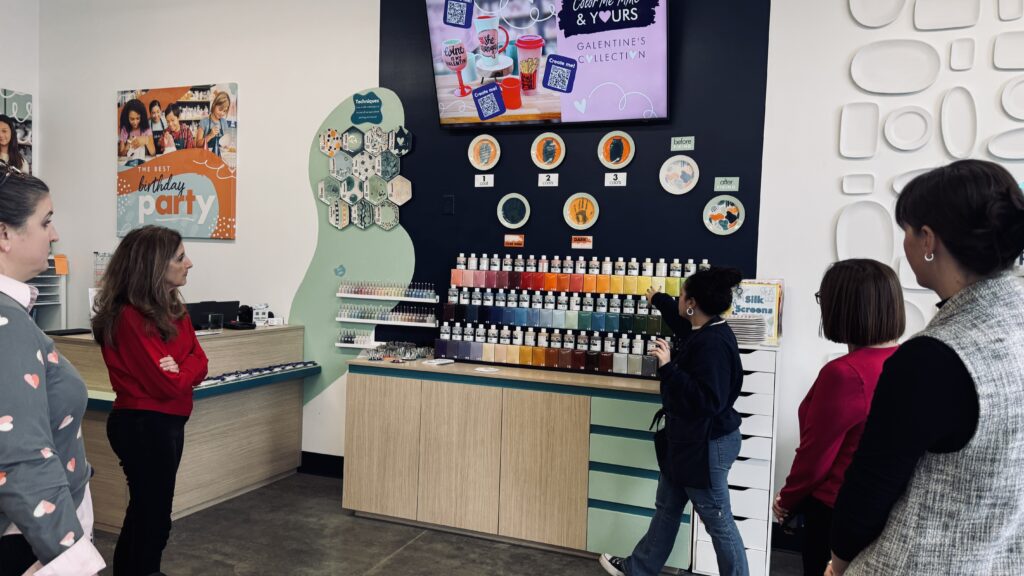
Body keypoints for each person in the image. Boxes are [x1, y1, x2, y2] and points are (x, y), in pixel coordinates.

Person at [828, 159, 1024, 576]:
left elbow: (871, 488)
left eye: (907, 232)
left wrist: (838, 562)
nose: (906, 244)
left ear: (928, 239)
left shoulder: (933, 358)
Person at [601, 267, 749, 576]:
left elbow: (709, 401)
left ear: (693, 303)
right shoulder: (702, 328)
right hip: (686, 441)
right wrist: (657, 298)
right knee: (667, 509)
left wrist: (669, 368)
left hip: (707, 444)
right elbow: (676, 315)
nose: (678, 299)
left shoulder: (713, 343)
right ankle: (638, 569)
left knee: (718, 521)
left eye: (682, 295)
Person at [0, 164, 105, 575]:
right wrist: (73, 560)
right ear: (4, 234)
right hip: (29, 537)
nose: (55, 234)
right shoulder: (7, 325)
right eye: (46, 221)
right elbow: (20, 456)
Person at [91, 225, 209, 576]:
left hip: (167, 423)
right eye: (179, 257)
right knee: (152, 515)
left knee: (149, 512)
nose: (190, 263)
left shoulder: (174, 309)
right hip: (144, 425)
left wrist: (183, 366)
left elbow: (201, 359)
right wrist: (184, 368)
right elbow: (167, 383)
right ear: (154, 265)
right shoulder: (129, 316)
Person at [772, 259, 902, 576]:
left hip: (834, 511)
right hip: (879, 508)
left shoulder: (845, 374)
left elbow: (816, 457)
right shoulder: (903, 359)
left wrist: (786, 501)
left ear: (842, 307)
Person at [197, 91, 230, 157]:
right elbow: (198, 144)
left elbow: (225, 142)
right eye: (220, 109)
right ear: (214, 105)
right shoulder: (204, 122)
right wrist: (210, 135)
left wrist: (226, 146)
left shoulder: (224, 122)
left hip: (219, 158)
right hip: (206, 157)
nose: (222, 113)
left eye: (225, 111)